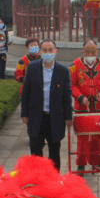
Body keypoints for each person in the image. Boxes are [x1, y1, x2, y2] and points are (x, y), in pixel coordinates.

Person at [21, 39, 73, 172]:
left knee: (54, 150)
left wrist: (68, 117)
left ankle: (54, 180)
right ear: (40, 52)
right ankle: (36, 179)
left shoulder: (63, 71)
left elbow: (66, 96)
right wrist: (24, 113)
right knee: (35, 149)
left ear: (55, 52)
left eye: (51, 50)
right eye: (45, 50)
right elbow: (25, 92)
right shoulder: (32, 68)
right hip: (36, 115)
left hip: (55, 117)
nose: (48, 53)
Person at [70, 39, 100, 173]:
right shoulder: (74, 65)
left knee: (99, 136)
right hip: (82, 106)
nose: (90, 54)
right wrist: (80, 97)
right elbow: (71, 84)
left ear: (97, 51)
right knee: (82, 136)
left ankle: (98, 162)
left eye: (93, 52)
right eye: (87, 51)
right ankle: (81, 163)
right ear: (82, 51)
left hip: (99, 106)